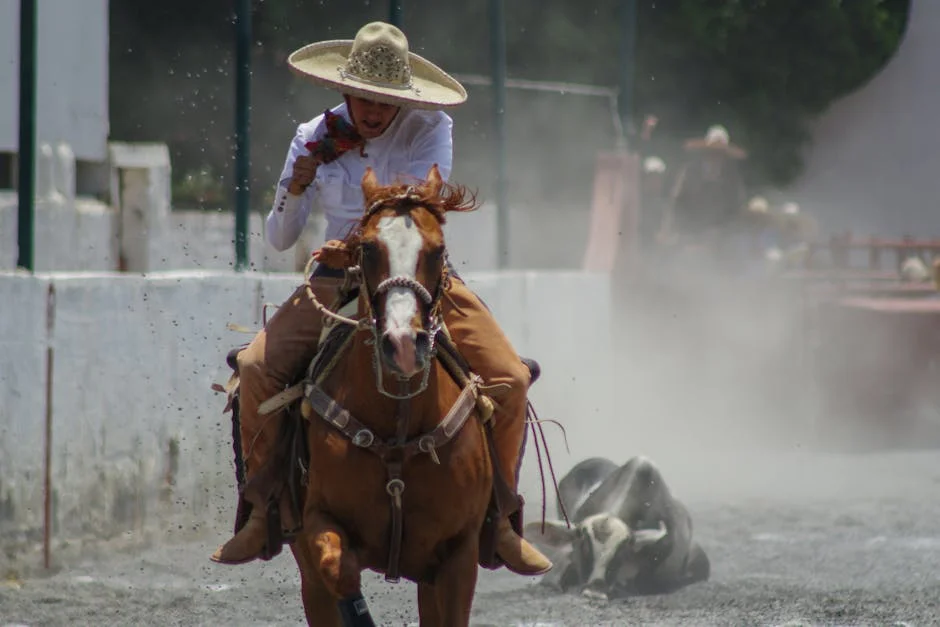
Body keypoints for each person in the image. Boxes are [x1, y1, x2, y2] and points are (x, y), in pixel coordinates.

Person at [209, 21, 552, 576]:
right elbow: (277, 237)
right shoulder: (311, 137)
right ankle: (261, 508)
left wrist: (361, 241)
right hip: (332, 279)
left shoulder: (430, 127)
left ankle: (502, 519)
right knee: (253, 368)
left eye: (384, 98)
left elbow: (412, 211)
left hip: (413, 270)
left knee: (509, 378)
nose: (371, 109)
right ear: (344, 91)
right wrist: (296, 186)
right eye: (363, 96)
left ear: (402, 97)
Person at [657, 124, 748, 247]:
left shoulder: (731, 177)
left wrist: (722, 231)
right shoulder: (689, 172)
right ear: (706, 152)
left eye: (719, 153)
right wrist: (667, 229)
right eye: (712, 152)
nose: (715, 157)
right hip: (690, 231)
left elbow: (737, 207)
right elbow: (675, 202)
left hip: (720, 237)